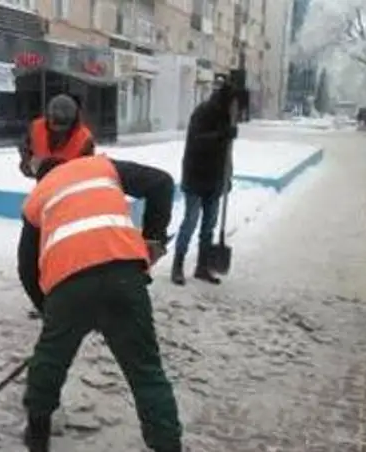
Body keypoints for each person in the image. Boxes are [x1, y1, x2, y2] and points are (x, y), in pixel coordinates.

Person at [17, 154, 182, 452]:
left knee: (49, 360)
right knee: (146, 371)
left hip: (69, 283)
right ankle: (168, 445)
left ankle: (38, 432)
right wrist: (154, 239)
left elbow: (26, 268)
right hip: (125, 276)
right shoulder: (100, 166)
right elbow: (162, 183)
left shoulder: (37, 197)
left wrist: (49, 313)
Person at [171, 82, 238, 286]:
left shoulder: (228, 117)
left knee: (209, 225)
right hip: (196, 175)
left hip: (216, 177)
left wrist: (228, 177)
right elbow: (197, 141)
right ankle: (177, 266)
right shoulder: (203, 112)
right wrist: (221, 135)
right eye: (234, 103)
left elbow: (228, 152)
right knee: (190, 221)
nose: (236, 108)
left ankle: (202, 267)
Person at [18, 94, 94, 178]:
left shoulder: (84, 138)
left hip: (70, 185)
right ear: (49, 117)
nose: (58, 130)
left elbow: (87, 170)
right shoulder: (36, 128)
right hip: (44, 183)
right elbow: (25, 151)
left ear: (73, 121)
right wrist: (29, 165)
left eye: (63, 127)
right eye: (55, 125)